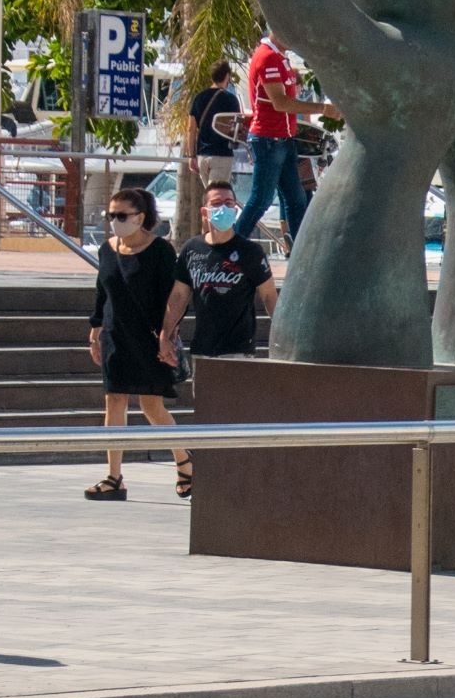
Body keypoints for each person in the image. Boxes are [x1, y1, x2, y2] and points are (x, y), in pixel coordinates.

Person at [86, 182, 187, 499]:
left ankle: (185, 460)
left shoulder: (160, 251)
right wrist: (96, 328)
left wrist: (167, 335)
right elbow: (103, 293)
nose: (114, 221)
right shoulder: (107, 249)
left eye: (121, 215)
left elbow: (171, 297)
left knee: (151, 406)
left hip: (148, 336)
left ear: (141, 217)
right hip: (116, 335)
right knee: (113, 401)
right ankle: (114, 476)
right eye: (110, 215)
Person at [161, 186, 274, 374]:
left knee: (236, 403)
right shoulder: (192, 249)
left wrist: (282, 335)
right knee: (204, 404)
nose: (223, 208)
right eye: (216, 203)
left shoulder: (250, 251)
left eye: (229, 203)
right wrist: (166, 334)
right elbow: (179, 296)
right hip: (203, 348)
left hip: (239, 349)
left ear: (235, 210)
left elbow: (269, 295)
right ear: (204, 211)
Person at [232, 29, 311, 248]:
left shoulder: (280, 58)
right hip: (268, 139)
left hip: (283, 139)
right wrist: (323, 108)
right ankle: (231, 248)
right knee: (262, 200)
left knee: (296, 199)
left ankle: (299, 253)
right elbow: (281, 102)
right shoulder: (267, 57)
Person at [185, 56, 244, 199]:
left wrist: (191, 155)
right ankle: (213, 221)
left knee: (211, 198)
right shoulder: (230, 99)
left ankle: (207, 221)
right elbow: (237, 127)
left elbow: (191, 128)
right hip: (221, 155)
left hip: (202, 155)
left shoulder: (199, 97)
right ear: (227, 76)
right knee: (217, 199)